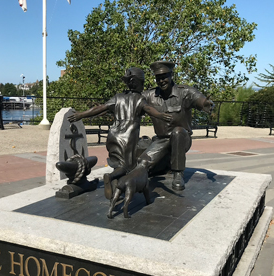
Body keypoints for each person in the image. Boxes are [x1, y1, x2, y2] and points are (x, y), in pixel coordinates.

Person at [68, 67, 171, 199]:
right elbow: (149, 109)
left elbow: (100, 108)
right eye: (142, 82)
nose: (143, 85)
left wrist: (81, 114)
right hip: (128, 136)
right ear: (135, 82)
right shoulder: (139, 99)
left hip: (114, 134)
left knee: (117, 162)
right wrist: (161, 115)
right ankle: (110, 178)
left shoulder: (117, 97)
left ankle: (116, 186)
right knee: (126, 166)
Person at [139, 61, 214, 191]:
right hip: (161, 141)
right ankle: (163, 165)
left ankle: (178, 174)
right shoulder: (149, 95)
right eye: (158, 78)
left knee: (178, 132)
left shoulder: (185, 92)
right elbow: (134, 101)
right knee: (141, 165)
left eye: (164, 77)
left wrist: (206, 104)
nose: (161, 81)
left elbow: (199, 99)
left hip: (181, 139)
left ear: (171, 75)